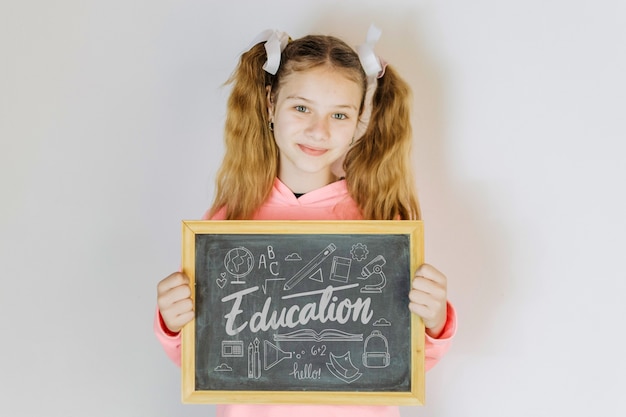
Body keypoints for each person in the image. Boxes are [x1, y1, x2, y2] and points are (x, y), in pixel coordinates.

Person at [154, 26, 456, 417]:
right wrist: (174, 320)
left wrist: (433, 319)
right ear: (270, 104)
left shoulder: (382, 224)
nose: (319, 130)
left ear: (361, 121)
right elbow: (209, 361)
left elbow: (399, 363)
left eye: (339, 114)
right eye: (301, 108)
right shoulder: (230, 222)